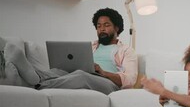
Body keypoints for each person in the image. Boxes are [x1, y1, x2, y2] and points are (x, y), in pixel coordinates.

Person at [3, 7, 137, 95]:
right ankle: (30, 77)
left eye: (106, 25)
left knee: (81, 75)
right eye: (98, 26)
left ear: (117, 28)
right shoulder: (91, 46)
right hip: (81, 73)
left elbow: (130, 79)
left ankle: (35, 84)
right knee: (56, 71)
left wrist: (103, 72)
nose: (101, 29)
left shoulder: (126, 50)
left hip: (108, 84)